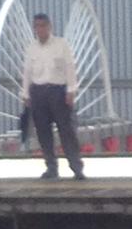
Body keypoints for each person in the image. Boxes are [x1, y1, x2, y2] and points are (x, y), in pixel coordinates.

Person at [22, 12, 85, 180]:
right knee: (43, 132)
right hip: (38, 92)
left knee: (67, 131)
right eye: (37, 26)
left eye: (43, 26)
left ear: (49, 27)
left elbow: (70, 68)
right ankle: (51, 167)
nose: (40, 29)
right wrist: (25, 93)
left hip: (58, 91)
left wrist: (71, 90)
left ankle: (76, 167)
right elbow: (27, 72)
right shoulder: (31, 48)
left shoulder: (61, 45)